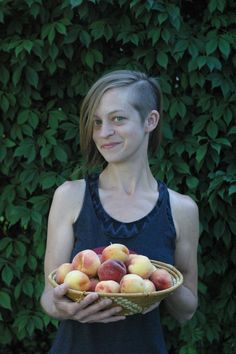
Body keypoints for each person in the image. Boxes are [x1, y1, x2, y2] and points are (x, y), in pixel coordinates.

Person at [40, 70, 199, 354]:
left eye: (118, 119)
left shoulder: (181, 209)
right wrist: (64, 308)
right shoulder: (70, 196)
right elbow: (49, 298)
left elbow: (187, 310)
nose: (103, 133)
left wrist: (161, 280)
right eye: (97, 122)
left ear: (150, 120)